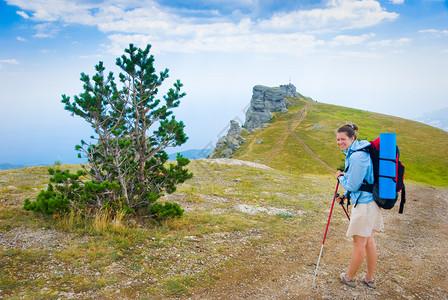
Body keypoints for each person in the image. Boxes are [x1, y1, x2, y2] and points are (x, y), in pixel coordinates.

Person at [335, 124, 384, 289]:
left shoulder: (357, 156)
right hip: (370, 203)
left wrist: (340, 178)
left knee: (359, 243)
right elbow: (363, 182)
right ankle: (369, 278)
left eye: (343, 139)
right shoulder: (359, 152)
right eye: (338, 139)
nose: (340, 142)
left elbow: (354, 184)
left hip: (365, 205)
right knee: (369, 240)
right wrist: (346, 195)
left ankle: (349, 278)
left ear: (352, 138)